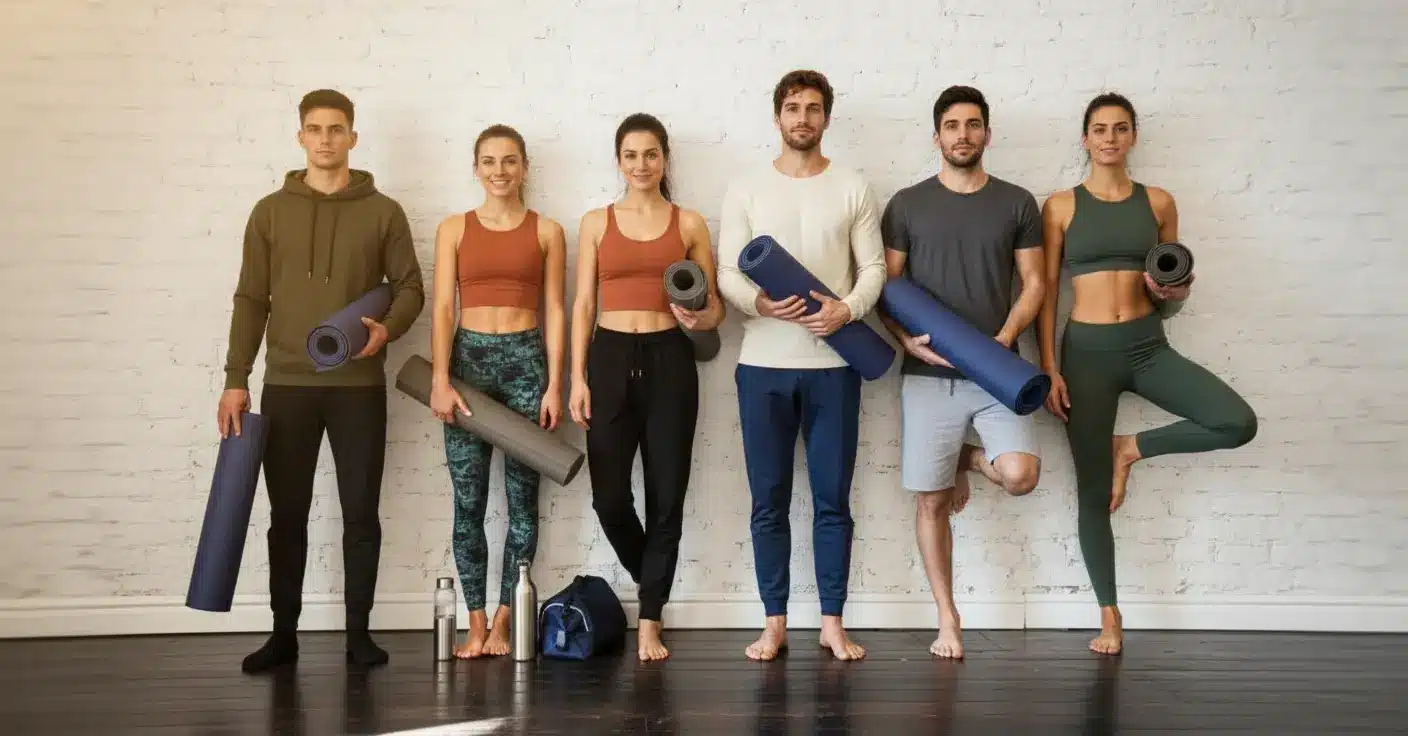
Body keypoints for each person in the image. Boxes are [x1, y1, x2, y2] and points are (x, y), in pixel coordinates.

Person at [1036, 92, 1258, 656]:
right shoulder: (1060, 206)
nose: (1110, 138)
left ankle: (1129, 448)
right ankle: (1110, 616)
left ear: (1133, 136)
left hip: (1147, 347)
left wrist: (1173, 295)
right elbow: (1046, 295)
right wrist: (1050, 367)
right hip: (1085, 354)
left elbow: (1168, 293)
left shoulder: (1158, 202)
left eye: (1120, 128)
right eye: (1099, 129)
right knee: (1092, 493)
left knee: (1237, 421)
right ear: (1085, 138)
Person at [217, 89, 426, 672]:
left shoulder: (384, 212)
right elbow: (250, 298)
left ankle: (358, 635)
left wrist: (388, 328)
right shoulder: (269, 212)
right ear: (301, 137)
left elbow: (410, 287)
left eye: (337, 129)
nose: (326, 139)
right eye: (315, 129)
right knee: (287, 515)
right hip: (287, 385)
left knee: (361, 513)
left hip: (358, 387)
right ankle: (283, 634)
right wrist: (236, 378)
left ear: (353, 137)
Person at [716, 69, 886, 662]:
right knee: (769, 500)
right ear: (777, 116)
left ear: (826, 118)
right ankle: (774, 623)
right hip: (762, 364)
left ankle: (832, 623)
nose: (803, 118)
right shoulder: (746, 187)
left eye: (813, 108)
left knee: (832, 499)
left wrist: (848, 309)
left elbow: (873, 269)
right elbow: (727, 272)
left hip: (834, 367)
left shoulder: (853, 186)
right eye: (793, 108)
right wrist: (759, 303)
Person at [877, 85, 1046, 660]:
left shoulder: (1017, 202)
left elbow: (1036, 284)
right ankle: (948, 617)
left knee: (1021, 475)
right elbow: (888, 289)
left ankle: (968, 459)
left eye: (973, 124)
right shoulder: (906, 204)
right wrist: (905, 340)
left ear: (987, 135)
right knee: (931, 500)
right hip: (928, 374)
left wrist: (1003, 338)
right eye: (952, 125)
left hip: (997, 372)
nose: (963, 135)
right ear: (937, 137)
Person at [568, 112, 725, 662]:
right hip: (609, 357)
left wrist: (703, 318)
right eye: (631, 155)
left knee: (666, 497)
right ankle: (652, 579)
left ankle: (650, 619)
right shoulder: (595, 222)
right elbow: (583, 304)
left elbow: (715, 307)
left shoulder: (690, 224)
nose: (641, 165)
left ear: (664, 159)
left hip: (670, 360)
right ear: (619, 161)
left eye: (651, 154)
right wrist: (576, 378)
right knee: (609, 499)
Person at [427, 124, 567, 658]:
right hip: (468, 366)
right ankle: (476, 622)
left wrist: (555, 384)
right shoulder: (453, 229)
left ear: (524, 167)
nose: (499, 171)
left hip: (526, 364)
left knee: (523, 503)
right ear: (475, 168)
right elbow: (444, 308)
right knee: (469, 501)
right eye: (489, 161)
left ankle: (507, 619)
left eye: (509, 161)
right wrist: (440, 379)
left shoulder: (548, 231)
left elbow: (555, 309)